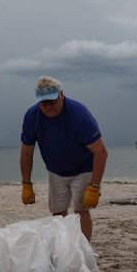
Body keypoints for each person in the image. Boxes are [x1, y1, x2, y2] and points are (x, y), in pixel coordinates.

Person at [20, 76, 108, 241]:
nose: (48, 108)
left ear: (61, 95)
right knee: (57, 213)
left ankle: (82, 251)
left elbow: (101, 152)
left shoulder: (78, 114)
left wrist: (94, 186)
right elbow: (26, 152)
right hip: (55, 171)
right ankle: (64, 249)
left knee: (81, 211)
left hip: (83, 168)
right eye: (43, 103)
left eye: (52, 102)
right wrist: (26, 184)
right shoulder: (33, 116)